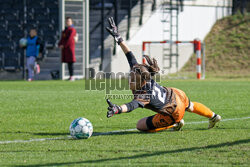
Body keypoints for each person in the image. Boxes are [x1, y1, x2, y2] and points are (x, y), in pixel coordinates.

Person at [105, 17, 221, 132]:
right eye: (131, 77)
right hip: (176, 93)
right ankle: (213, 116)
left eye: (133, 80)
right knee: (190, 106)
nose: (130, 80)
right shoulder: (141, 72)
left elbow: (131, 106)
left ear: (141, 82)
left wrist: (117, 109)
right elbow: (129, 55)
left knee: (140, 126)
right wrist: (118, 38)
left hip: (173, 112)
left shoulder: (144, 94)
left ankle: (176, 123)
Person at [58, 17, 77, 81]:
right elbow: (62, 39)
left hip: (69, 48)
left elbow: (70, 39)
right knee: (68, 63)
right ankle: (70, 76)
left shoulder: (72, 30)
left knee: (71, 62)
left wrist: (64, 45)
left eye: (69, 21)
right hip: (65, 49)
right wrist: (60, 44)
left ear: (71, 22)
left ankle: (72, 76)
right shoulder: (64, 30)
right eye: (67, 21)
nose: (67, 22)